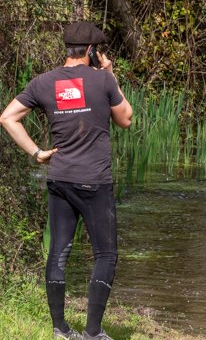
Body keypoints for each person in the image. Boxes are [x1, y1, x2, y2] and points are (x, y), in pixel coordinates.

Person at [0, 22, 133, 340]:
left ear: (68, 49)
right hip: (94, 182)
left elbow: (7, 117)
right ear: (91, 51)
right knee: (105, 254)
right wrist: (111, 75)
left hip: (59, 178)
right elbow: (126, 119)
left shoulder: (43, 82)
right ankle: (93, 333)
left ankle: (60, 329)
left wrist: (37, 153)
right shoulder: (103, 80)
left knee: (59, 251)